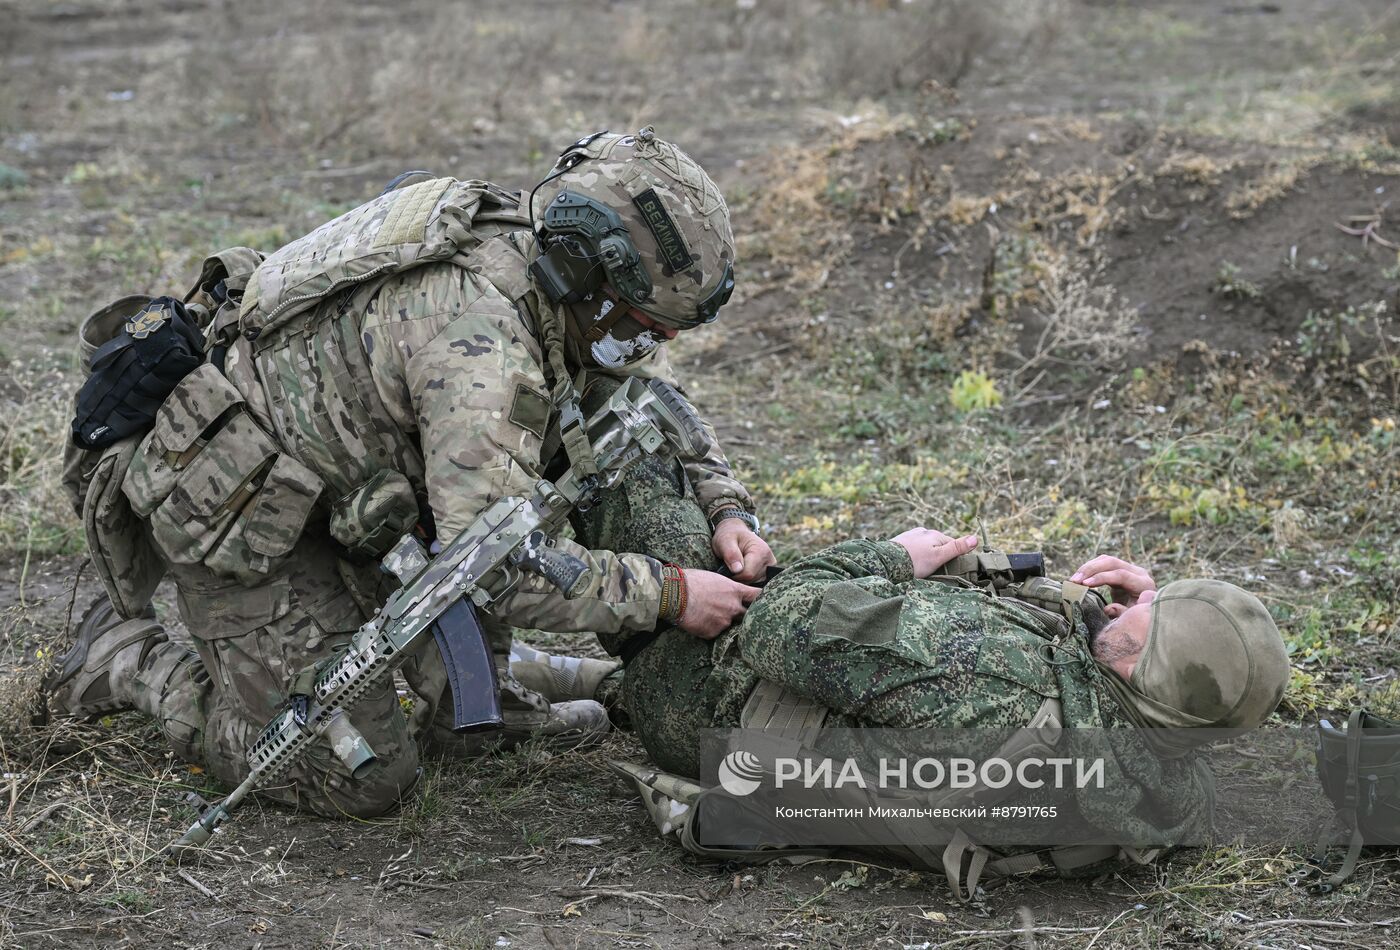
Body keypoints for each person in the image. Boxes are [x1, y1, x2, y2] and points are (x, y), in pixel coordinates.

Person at [45, 128, 774, 819]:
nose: (651, 344)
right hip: (247, 520)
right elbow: (498, 570)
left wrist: (724, 505)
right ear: (590, 275)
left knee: (470, 723)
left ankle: (509, 683)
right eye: (645, 326)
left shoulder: (532, 262)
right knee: (359, 775)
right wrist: (671, 594)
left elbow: (643, 401)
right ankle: (128, 660)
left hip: (354, 494)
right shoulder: (483, 356)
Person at [559, 429, 1290, 883]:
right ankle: (583, 688)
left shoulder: (991, 678)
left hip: (707, 697)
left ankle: (528, 673)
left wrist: (892, 557)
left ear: (1137, 668)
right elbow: (1176, 688)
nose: (1132, 604)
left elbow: (775, 625)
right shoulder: (1165, 773)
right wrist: (1153, 622)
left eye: (1145, 622)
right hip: (815, 727)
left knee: (634, 469)